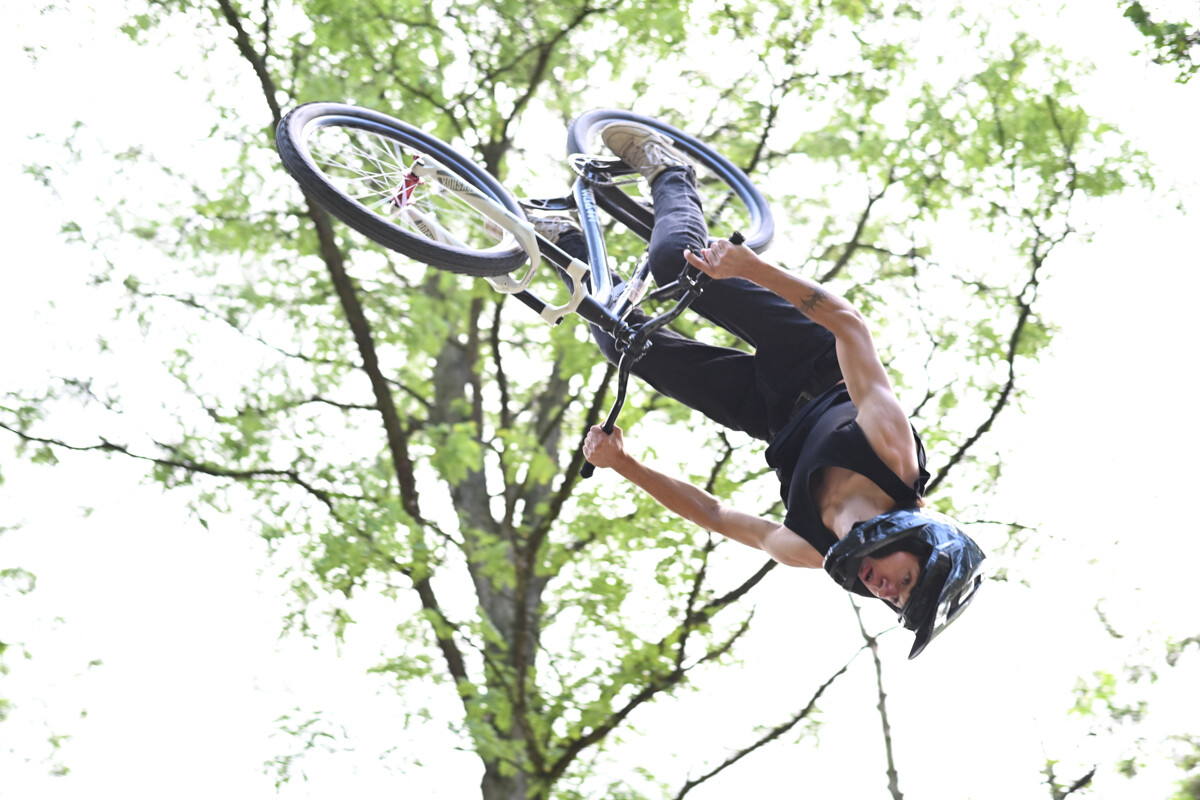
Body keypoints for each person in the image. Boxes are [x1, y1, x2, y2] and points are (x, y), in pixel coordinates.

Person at [535, 121, 985, 659]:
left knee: (619, 339)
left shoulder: (811, 548)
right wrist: (752, 268)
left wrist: (624, 465)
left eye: (894, 601)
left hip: (767, 413)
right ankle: (671, 171)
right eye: (905, 580)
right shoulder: (892, 456)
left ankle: (565, 238)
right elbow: (850, 327)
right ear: (917, 540)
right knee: (675, 264)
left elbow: (717, 516)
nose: (885, 590)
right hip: (813, 356)